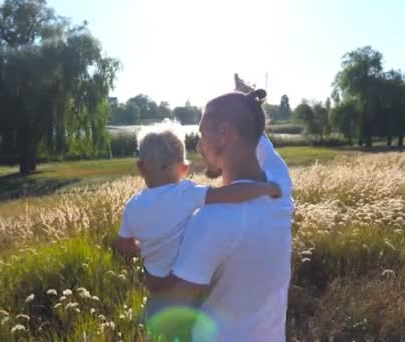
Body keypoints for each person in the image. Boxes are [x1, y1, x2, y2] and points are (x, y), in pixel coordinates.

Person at [147, 89, 295, 341]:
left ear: (224, 135)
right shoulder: (280, 187)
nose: (199, 145)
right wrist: (247, 103)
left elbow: (168, 317)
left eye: (203, 134)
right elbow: (255, 136)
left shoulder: (214, 219)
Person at [115, 119, 281, 319]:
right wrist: (265, 188)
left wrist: (145, 246)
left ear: (141, 168)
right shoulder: (186, 193)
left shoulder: (133, 206)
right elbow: (229, 193)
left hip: (156, 288)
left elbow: (124, 245)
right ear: (184, 169)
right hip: (188, 290)